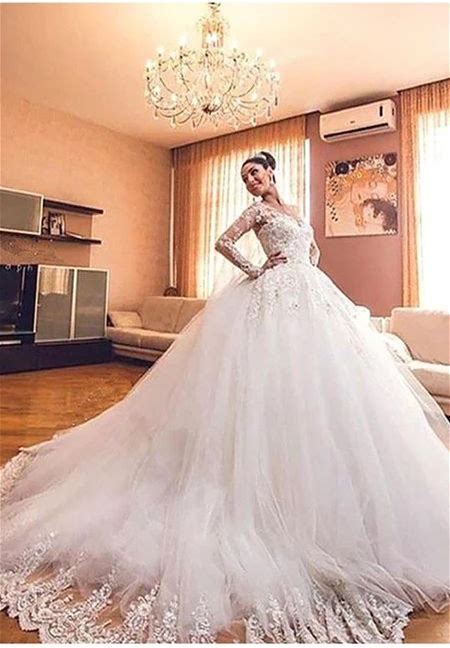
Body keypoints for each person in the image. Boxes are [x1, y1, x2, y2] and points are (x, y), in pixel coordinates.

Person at [0, 151, 449, 644]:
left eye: (256, 172)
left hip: (311, 299)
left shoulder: (296, 213)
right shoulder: (256, 213)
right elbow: (223, 242)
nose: (251, 180)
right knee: (259, 386)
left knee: (319, 389)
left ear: (271, 172)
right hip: (270, 295)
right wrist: (257, 270)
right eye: (244, 177)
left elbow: (313, 252)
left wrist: (306, 267)